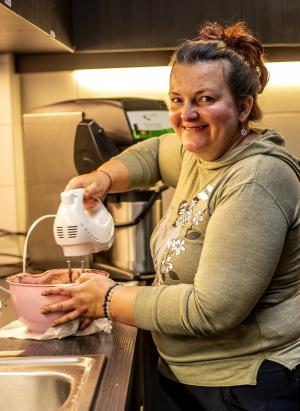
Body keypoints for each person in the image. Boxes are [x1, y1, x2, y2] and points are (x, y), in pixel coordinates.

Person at [41, 21, 300, 410]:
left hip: (248, 386)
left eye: (206, 99)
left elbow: (211, 310)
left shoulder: (255, 179)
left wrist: (107, 298)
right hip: (194, 378)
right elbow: (154, 153)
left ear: (244, 106)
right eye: (177, 100)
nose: (187, 115)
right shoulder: (204, 151)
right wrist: (102, 178)